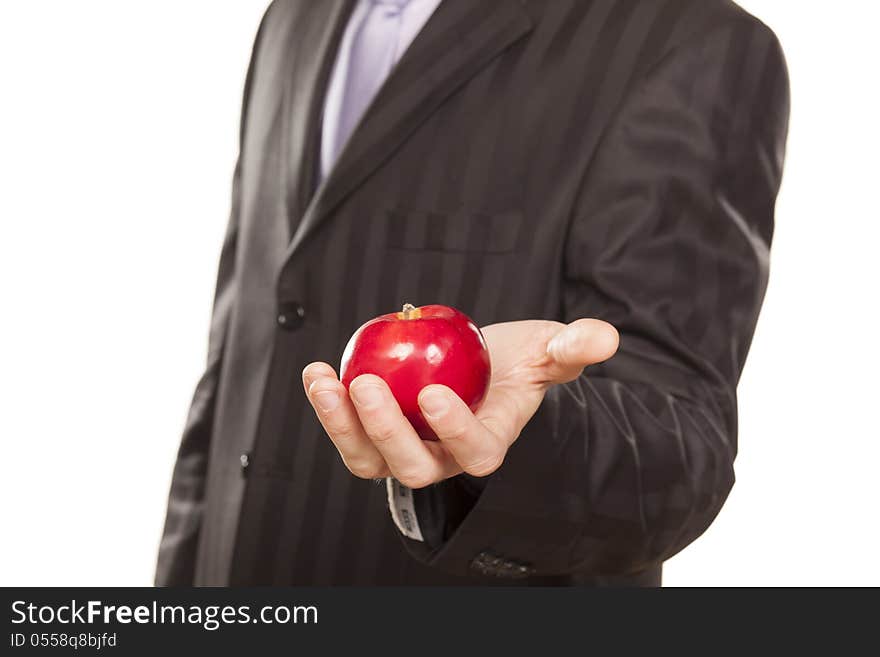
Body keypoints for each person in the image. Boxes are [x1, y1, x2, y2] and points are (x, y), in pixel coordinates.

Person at [157, 0, 790, 586]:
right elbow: (234, 364)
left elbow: (680, 442)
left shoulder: (689, 40)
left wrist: (516, 435)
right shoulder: (298, 15)